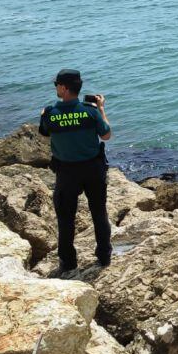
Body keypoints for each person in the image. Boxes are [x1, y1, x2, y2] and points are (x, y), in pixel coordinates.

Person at [38, 69, 112, 273]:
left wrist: (45, 116)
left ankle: (68, 262)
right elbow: (106, 135)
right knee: (99, 212)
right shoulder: (90, 111)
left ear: (63, 87)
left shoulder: (50, 114)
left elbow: (44, 134)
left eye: (56, 85)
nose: (55, 88)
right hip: (93, 170)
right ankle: (104, 256)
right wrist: (101, 109)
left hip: (67, 173)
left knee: (65, 218)